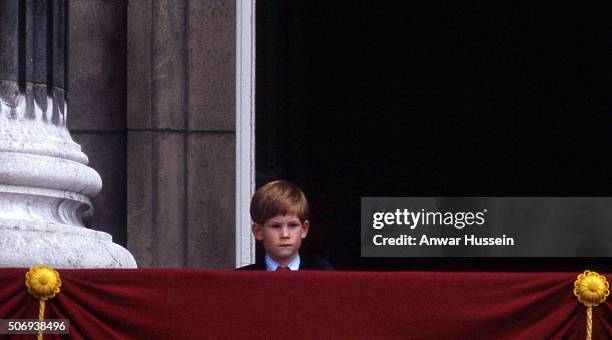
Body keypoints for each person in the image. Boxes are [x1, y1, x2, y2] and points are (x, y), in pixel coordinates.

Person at [238, 180, 333, 271]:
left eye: (292, 225)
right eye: (275, 226)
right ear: (258, 231)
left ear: (304, 229)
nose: (285, 234)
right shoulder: (240, 280)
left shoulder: (324, 278)